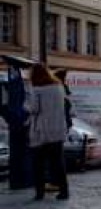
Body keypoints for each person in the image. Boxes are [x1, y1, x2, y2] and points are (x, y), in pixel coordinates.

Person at [26, 64, 69, 200]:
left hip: (41, 131)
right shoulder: (59, 87)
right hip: (57, 130)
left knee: (38, 164)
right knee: (58, 163)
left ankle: (40, 193)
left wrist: (25, 105)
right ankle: (64, 191)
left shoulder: (37, 89)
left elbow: (34, 109)